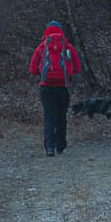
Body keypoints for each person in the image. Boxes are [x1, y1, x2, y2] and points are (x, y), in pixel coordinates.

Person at [27, 21, 81, 156]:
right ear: (61, 31)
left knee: (49, 116)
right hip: (63, 87)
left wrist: (44, 73)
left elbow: (32, 70)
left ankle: (49, 147)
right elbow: (77, 69)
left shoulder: (41, 48)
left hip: (46, 87)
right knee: (61, 116)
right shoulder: (68, 47)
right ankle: (61, 145)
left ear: (46, 32)